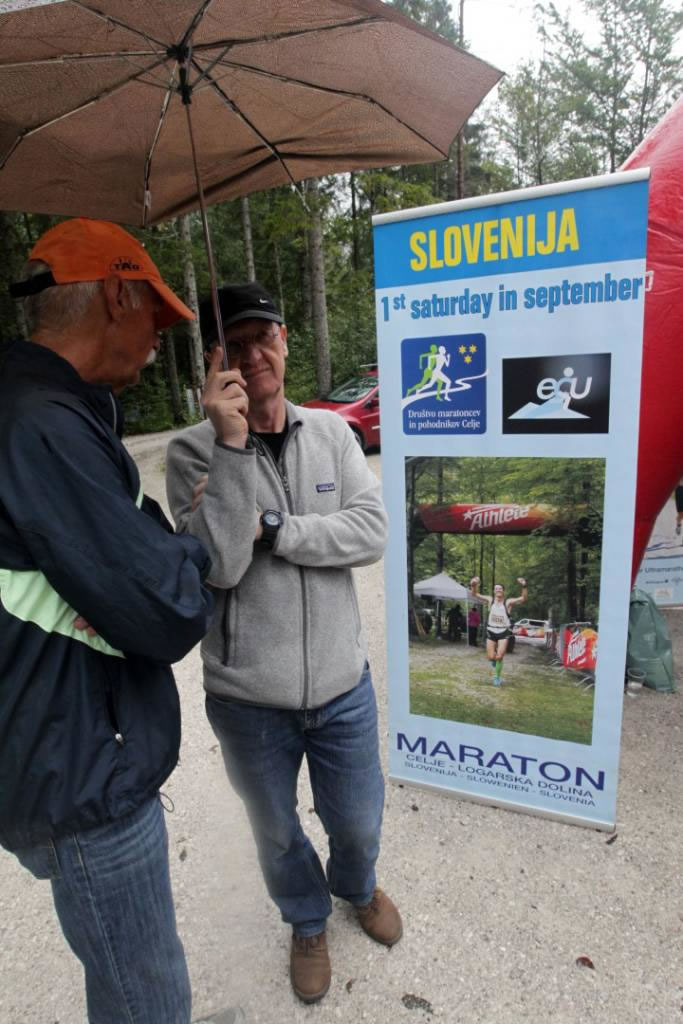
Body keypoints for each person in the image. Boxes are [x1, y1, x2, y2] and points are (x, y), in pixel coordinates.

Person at [0, 219, 238, 1024]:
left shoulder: (50, 409)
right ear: (115, 294)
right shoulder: (42, 426)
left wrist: (159, 550)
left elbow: (130, 559)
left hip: (59, 748)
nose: (161, 336)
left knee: (131, 973)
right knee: (146, 992)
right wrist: (186, 549)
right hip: (81, 773)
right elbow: (169, 612)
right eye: (156, 313)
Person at [166, 282, 402, 1006]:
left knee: (356, 819)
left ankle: (356, 886)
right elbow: (220, 567)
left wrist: (276, 529)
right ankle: (305, 921)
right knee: (273, 831)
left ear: (285, 340)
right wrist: (231, 449)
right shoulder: (189, 453)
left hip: (341, 684)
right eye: (234, 346)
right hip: (248, 699)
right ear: (214, 362)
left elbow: (372, 532)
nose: (252, 355)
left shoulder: (331, 434)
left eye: (262, 337)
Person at [470, 576, 528, 685]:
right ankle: (494, 661)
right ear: (494, 591)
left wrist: (524, 585)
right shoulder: (490, 600)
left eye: (500, 588)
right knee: (491, 657)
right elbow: (474, 594)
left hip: (503, 632)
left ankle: (497, 677)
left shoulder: (508, 602)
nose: (498, 590)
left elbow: (523, 598)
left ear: (503, 591)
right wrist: (473, 585)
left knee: (500, 656)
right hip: (491, 630)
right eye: (496, 589)